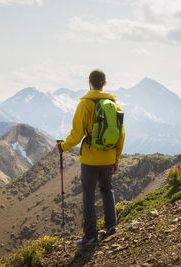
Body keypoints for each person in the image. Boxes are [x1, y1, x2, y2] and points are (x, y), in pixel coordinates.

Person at [55, 69, 125, 246]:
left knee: (89, 196)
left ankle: (91, 236)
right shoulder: (116, 105)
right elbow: (121, 135)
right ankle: (112, 227)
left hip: (90, 160)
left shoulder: (85, 104)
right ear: (105, 84)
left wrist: (62, 147)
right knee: (107, 190)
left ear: (89, 83)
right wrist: (116, 161)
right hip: (108, 158)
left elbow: (76, 134)